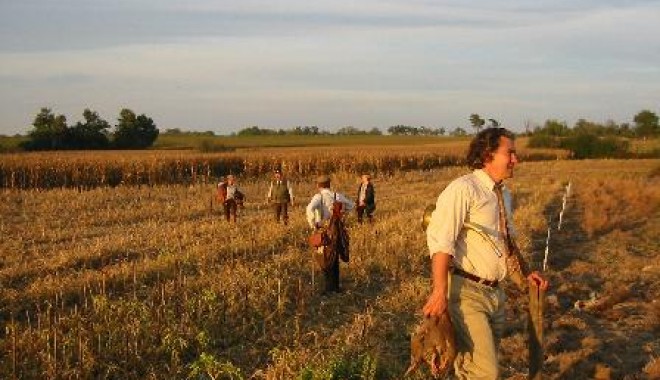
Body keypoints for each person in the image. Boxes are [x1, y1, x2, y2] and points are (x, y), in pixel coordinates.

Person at [423, 127, 549, 379]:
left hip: (496, 295)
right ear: (488, 155)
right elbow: (441, 242)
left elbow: (507, 243)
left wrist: (525, 276)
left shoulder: (504, 195)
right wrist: (439, 291)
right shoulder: (463, 189)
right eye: (510, 153)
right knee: (485, 373)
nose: (516, 160)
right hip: (466, 293)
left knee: (475, 369)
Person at [306, 175, 354, 293]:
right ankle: (336, 287)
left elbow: (309, 208)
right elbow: (351, 205)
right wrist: (342, 216)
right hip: (336, 230)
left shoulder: (319, 197)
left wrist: (314, 224)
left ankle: (329, 289)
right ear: (329, 185)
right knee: (335, 256)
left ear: (318, 186)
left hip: (324, 232)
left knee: (325, 258)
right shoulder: (336, 196)